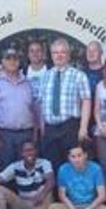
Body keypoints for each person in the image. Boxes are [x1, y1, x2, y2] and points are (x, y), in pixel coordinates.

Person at [39, 38, 92, 171]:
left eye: (62, 52)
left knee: (73, 165)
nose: (59, 55)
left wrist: (83, 127)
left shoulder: (79, 75)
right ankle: (57, 192)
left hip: (70, 127)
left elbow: (86, 101)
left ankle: (71, 192)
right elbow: (41, 103)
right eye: (55, 52)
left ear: (68, 55)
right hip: (50, 128)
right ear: (51, 55)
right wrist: (42, 126)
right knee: (51, 166)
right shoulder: (45, 76)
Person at [0, 48, 38, 172]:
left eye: (15, 58)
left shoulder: (28, 83)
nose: (12, 61)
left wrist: (35, 134)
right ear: (3, 61)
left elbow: (35, 110)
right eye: (8, 58)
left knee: (27, 170)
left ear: (19, 61)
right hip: (4, 135)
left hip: (26, 134)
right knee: (5, 171)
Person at [83, 41, 104, 138]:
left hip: (104, 120)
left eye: (94, 50)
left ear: (101, 52)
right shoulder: (80, 74)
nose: (91, 53)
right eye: (88, 51)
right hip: (85, 122)